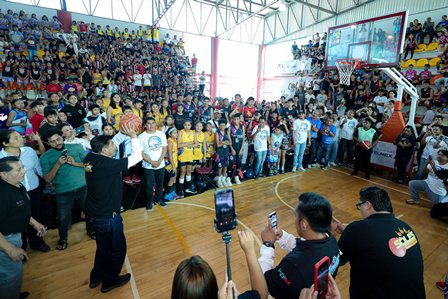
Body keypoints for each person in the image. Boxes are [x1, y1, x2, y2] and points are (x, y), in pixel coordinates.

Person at [332, 187, 425, 299]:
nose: (360, 210)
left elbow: (336, 261)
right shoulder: (405, 226)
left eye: (360, 206)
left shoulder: (357, 228)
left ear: (367, 205)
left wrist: (332, 236)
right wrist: (348, 233)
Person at [83, 124, 142, 293]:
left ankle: (96, 277)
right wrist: (133, 137)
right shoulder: (108, 165)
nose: (115, 147)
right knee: (117, 249)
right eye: (111, 146)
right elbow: (137, 156)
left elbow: (109, 143)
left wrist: (122, 134)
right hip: (108, 215)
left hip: (94, 212)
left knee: (102, 247)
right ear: (104, 151)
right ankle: (110, 280)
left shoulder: (89, 159)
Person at [257, 192, 340, 299]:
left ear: (303, 224)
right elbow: (305, 247)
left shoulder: (293, 267)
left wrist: (268, 245)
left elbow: (264, 283)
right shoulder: (331, 240)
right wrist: (283, 236)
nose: (294, 220)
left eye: (295, 216)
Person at [40, 128, 94, 250]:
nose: (57, 142)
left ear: (62, 136)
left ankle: (91, 230)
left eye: (58, 139)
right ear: (48, 143)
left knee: (89, 211)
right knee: (63, 216)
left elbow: (90, 167)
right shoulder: (45, 157)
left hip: (83, 186)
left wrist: (74, 163)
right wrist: (58, 164)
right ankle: (63, 238)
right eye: (52, 141)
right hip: (62, 191)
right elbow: (47, 179)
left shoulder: (77, 147)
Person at [0, 156, 46, 299]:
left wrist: (34, 223)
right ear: (3, 174)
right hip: (5, 241)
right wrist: (9, 248)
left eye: (23, 167)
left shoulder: (17, 184)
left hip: (15, 235)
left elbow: (20, 210)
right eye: (18, 169)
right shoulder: (2, 194)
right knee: (11, 276)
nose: (24, 171)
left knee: (11, 277)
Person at [0, 130, 50, 253]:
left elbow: (37, 168)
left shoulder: (29, 151)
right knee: (17, 219)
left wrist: (47, 180)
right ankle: (20, 247)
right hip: (13, 194)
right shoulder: (1, 159)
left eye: (20, 136)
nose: (21, 138)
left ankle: (37, 242)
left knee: (35, 215)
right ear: (5, 143)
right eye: (15, 138)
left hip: (33, 189)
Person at [139, 117, 168, 210]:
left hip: (161, 164)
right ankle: (149, 201)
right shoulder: (141, 137)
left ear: (155, 124)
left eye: (153, 123)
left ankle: (159, 199)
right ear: (145, 125)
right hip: (148, 166)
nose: (151, 125)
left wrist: (159, 161)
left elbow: (164, 149)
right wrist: (152, 162)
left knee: (160, 184)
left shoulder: (161, 134)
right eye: (149, 123)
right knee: (149, 185)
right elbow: (141, 153)